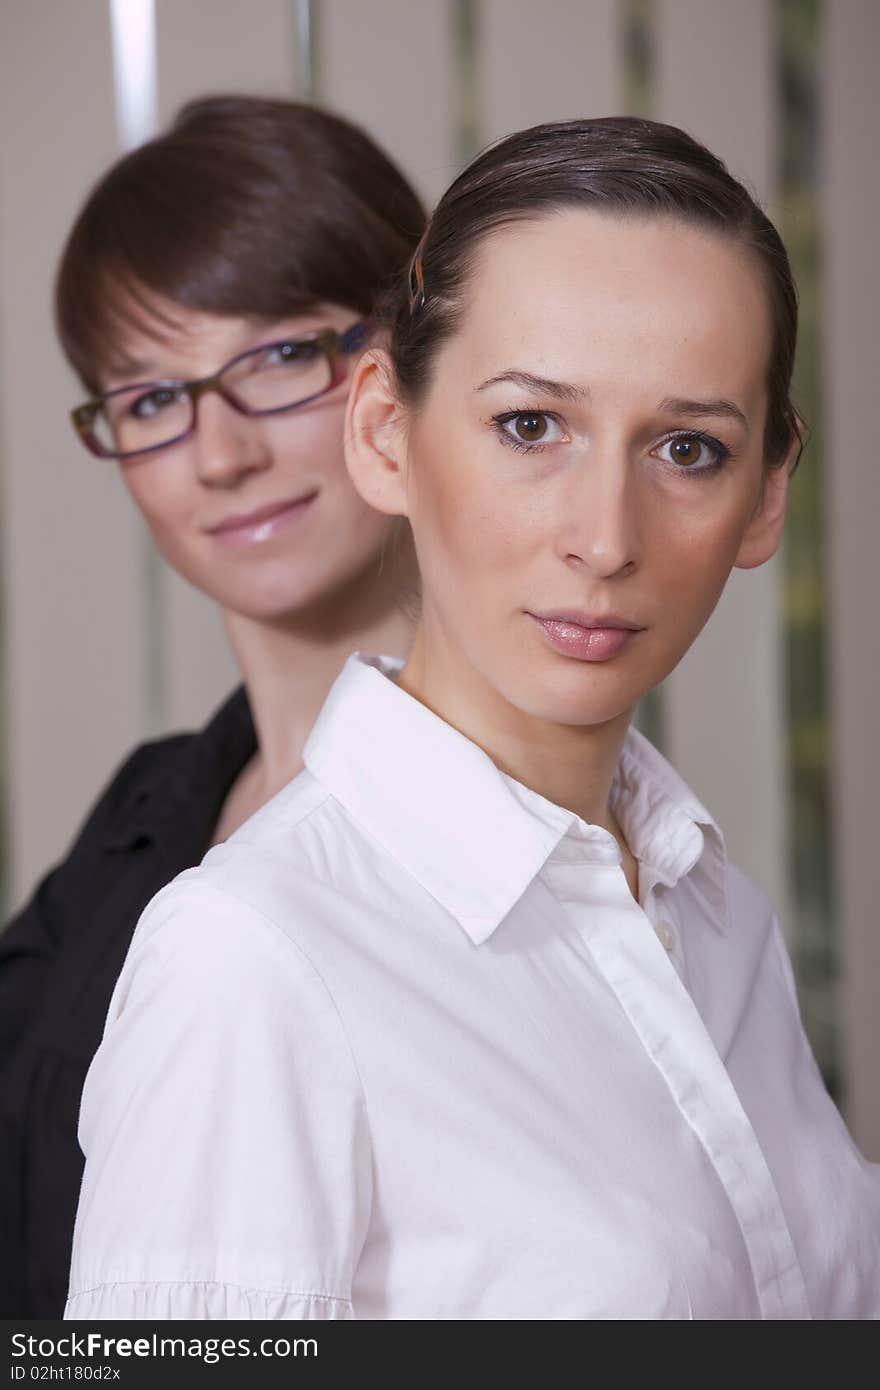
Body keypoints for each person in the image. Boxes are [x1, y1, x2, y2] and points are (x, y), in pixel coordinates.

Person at [65, 116, 880, 1320]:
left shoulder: (711, 911)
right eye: (528, 425)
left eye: (688, 448)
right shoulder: (251, 959)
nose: (604, 537)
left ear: (767, 495)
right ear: (384, 432)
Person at [0, 94, 425, 1319]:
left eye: (282, 355)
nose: (217, 453)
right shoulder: (146, 815)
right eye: (148, 400)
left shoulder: (531, 826)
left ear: (409, 353)